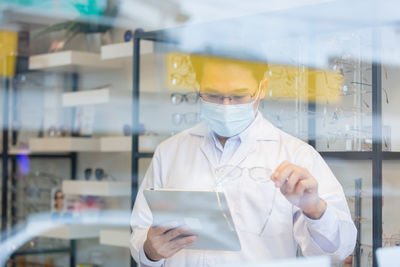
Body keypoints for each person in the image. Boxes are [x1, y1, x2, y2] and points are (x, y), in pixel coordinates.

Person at [129, 55, 357, 267]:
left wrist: (315, 210)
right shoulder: (170, 152)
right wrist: (150, 250)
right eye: (213, 95)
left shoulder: (297, 155)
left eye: (238, 96)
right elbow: (140, 230)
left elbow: (338, 251)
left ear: (262, 89)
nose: (226, 106)